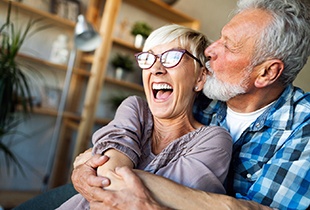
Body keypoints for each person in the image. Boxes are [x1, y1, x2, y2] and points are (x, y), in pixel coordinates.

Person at [71, 0, 310, 209]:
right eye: (219, 37)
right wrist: (86, 167)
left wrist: (101, 166)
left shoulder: (303, 128)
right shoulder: (202, 98)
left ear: (267, 73)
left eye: (228, 45)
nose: (210, 50)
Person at [56, 24, 232, 209]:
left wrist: (93, 161)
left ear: (200, 78)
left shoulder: (214, 140)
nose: (156, 69)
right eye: (148, 58)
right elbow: (112, 180)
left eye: (172, 57)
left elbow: (174, 199)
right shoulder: (135, 108)